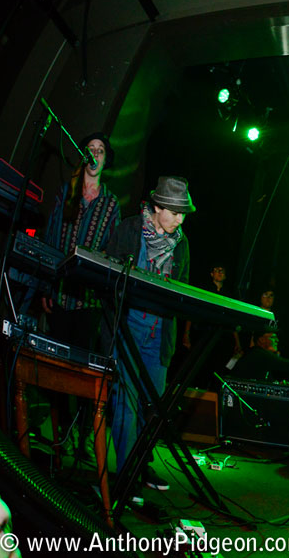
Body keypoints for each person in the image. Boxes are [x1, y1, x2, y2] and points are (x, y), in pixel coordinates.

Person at [105, 176, 194, 492]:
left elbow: (182, 289)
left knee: (154, 408)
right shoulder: (129, 229)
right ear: (158, 207)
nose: (180, 220)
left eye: (183, 214)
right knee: (125, 405)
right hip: (128, 329)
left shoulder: (181, 244)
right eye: (175, 212)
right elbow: (107, 270)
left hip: (159, 337)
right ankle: (126, 473)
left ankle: (141, 463)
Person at [41, 131, 120, 461]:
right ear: (83, 155)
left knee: (86, 371)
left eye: (100, 150)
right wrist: (46, 286)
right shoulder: (66, 192)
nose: (95, 154)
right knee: (57, 367)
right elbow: (50, 239)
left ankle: (85, 437)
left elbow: (113, 252)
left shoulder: (111, 204)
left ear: (105, 159)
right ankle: (61, 432)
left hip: (89, 300)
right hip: (60, 295)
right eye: (90, 149)